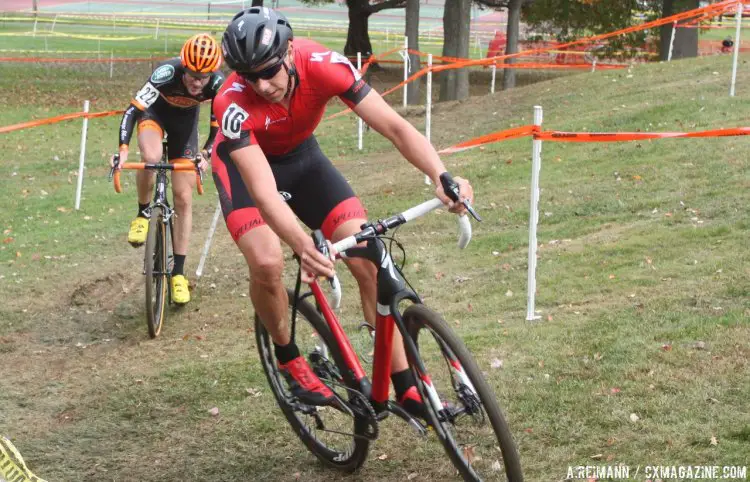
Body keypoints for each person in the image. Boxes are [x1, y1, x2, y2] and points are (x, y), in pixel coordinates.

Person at [213, 8, 474, 415]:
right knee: (266, 262)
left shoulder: (324, 65)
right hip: (245, 169)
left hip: (304, 161)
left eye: (268, 71)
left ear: (288, 53)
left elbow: (396, 128)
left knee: (369, 257)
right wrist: (303, 245)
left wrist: (441, 176)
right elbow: (264, 193)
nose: (261, 86)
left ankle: (405, 388)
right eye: (249, 77)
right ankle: (289, 358)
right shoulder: (230, 103)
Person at [112, 33, 225, 304]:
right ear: (183, 67)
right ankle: (142, 213)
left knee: (184, 197)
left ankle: (179, 274)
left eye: (203, 77)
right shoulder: (165, 73)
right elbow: (132, 111)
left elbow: (219, 125)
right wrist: (123, 150)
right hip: (155, 115)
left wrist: (206, 154)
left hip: (184, 128)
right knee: (150, 157)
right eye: (191, 75)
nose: (197, 82)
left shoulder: (219, 84)